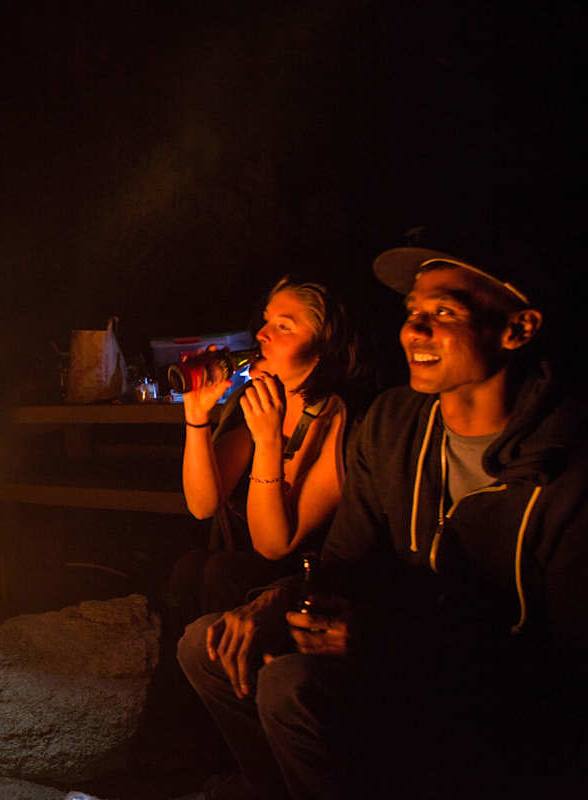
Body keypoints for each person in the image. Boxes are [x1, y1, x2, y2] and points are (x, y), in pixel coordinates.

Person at [177, 245, 587, 799]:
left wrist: (382, 641)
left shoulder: (564, 471)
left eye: (443, 312)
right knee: (207, 643)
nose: (414, 329)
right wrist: (274, 602)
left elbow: (556, 673)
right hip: (390, 654)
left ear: (518, 328)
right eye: (411, 311)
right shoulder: (397, 425)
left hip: (496, 714)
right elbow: (343, 562)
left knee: (287, 683)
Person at [172, 277, 366, 620]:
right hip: (247, 568)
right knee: (190, 568)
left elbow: (274, 545)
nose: (262, 334)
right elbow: (202, 504)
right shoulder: (255, 400)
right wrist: (197, 415)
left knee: (222, 572)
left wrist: (268, 442)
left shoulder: (340, 420)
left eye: (283, 326)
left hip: (311, 585)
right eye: (266, 320)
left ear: (321, 350)